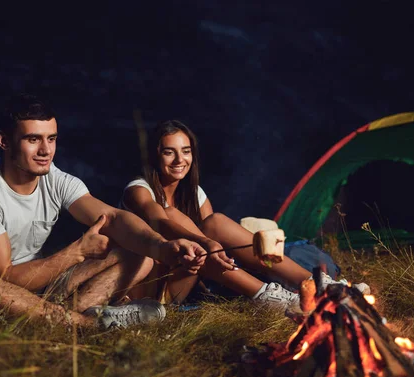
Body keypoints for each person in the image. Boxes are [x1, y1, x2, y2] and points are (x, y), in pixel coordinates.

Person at [0, 95, 213, 330]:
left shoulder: (55, 178)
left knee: (139, 250)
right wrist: (77, 252)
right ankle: (88, 323)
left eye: (51, 139)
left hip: (44, 293)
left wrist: (164, 247)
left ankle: (62, 321)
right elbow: (5, 278)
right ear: (4, 141)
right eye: (33, 139)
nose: (45, 150)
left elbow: (114, 218)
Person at [121, 120, 369, 307]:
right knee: (174, 216)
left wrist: (216, 245)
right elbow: (162, 222)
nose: (179, 159)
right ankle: (271, 298)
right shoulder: (139, 190)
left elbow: (215, 236)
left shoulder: (195, 193)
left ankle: (320, 285)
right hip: (152, 291)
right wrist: (205, 243)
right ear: (155, 155)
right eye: (169, 152)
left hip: (193, 278)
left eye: (185, 151)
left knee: (215, 222)